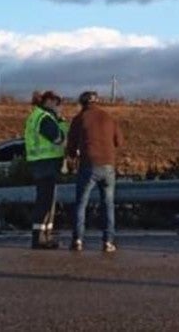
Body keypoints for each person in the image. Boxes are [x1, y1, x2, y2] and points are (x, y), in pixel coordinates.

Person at [65, 90, 123, 252]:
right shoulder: (108, 117)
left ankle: (78, 240)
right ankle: (108, 242)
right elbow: (119, 141)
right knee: (108, 204)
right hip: (108, 165)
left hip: (88, 165)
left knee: (81, 204)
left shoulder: (79, 119)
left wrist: (74, 154)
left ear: (82, 103)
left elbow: (71, 146)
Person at [24, 89, 68, 250]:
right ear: (49, 101)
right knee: (45, 202)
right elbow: (58, 138)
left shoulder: (38, 115)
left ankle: (45, 236)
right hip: (46, 163)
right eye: (58, 103)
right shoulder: (45, 118)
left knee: (48, 201)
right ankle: (39, 238)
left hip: (41, 163)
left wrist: (60, 120)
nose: (60, 106)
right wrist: (62, 123)